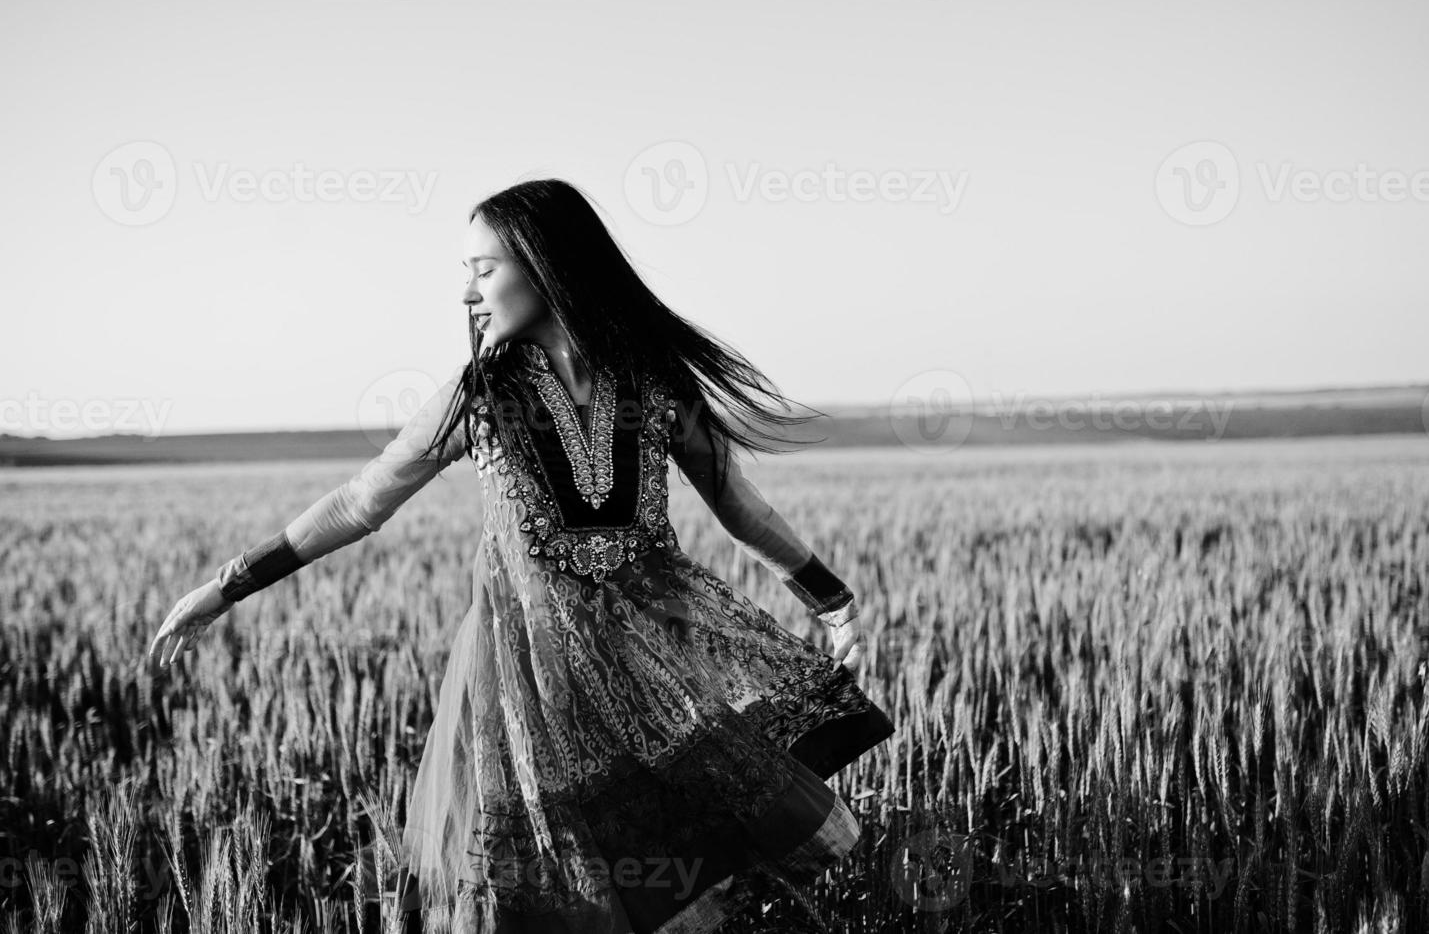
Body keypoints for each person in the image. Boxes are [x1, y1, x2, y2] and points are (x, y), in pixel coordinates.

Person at [147, 178, 895, 933]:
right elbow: (357, 503)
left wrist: (829, 599)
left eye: (483, 267)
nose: (467, 292)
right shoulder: (476, 396)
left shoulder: (654, 383)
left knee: (656, 880)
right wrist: (226, 586)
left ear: (546, 265)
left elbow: (737, 506)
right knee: (534, 897)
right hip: (521, 690)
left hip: (647, 683)